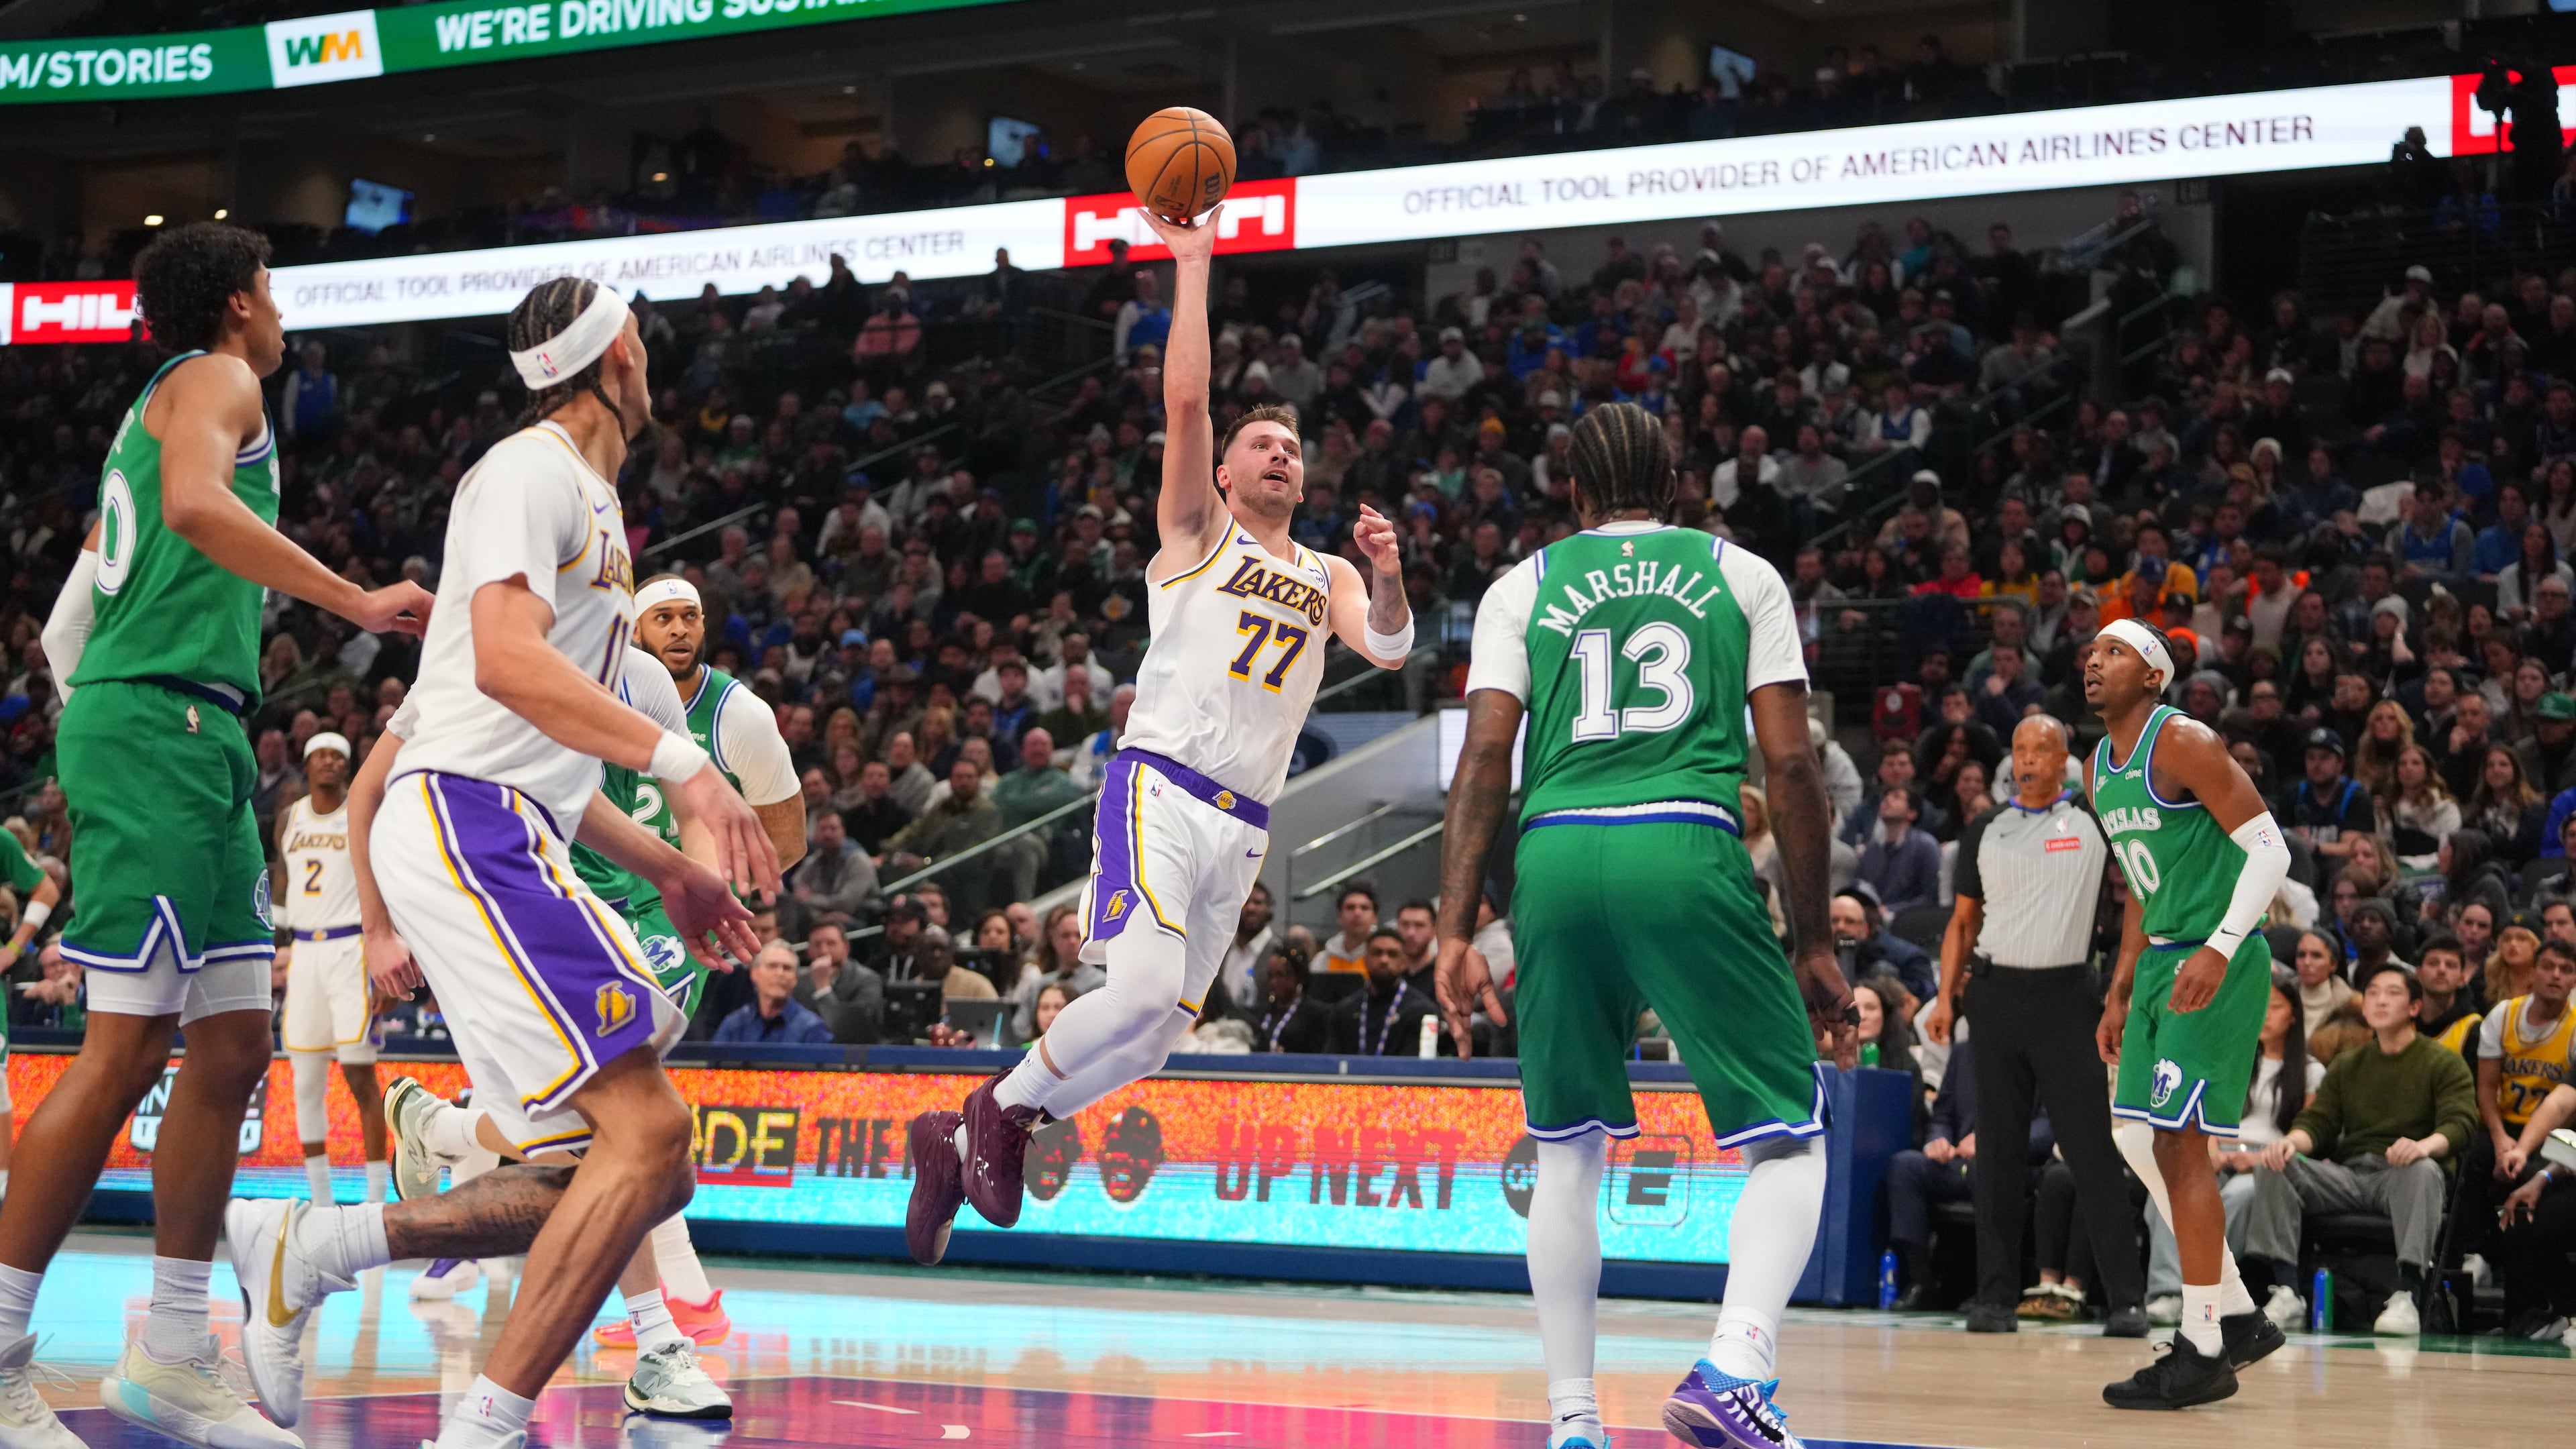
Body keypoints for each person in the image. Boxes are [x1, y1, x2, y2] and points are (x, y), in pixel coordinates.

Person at [221, 277, 777, 1449]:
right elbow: (510, 669)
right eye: (638, 331)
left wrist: (671, 870)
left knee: (631, 1170)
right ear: (617, 351)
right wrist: (683, 766)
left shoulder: (587, 507)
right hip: (468, 829)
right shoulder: (531, 474)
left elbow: (538, 756)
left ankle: (317, 1245)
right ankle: (485, 1424)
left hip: (507, 825)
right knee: (651, 1135)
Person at [904, 203, 1413, 1266]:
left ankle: (956, 1137)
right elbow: (1185, 399)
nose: (1280, 454)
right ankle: (998, 1111)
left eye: (1292, 448)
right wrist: (1193, 261)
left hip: (1247, 823)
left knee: (1154, 1042)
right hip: (1164, 789)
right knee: (1132, 996)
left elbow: (1395, 651)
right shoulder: (1199, 534)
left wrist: (1388, 572)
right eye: (1260, 444)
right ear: (1225, 475)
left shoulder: (1325, 575)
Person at [0, 223, 434, 1449]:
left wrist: (124, 709)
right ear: (241, 300)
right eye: (275, 289)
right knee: (127, 1048)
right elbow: (193, 505)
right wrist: (350, 599)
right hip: (162, 731)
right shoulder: (223, 379)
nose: (282, 311)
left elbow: (65, 625)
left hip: (193, 734)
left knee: (238, 1040)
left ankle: (175, 1352)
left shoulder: (161, 408)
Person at [1434, 401, 1852, 1449]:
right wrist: (1813, 940)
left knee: (1565, 1149)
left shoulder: (1519, 586)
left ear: (1572, 492)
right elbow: (1793, 768)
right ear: (1676, 488)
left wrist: (1453, 928)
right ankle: (1736, 1362)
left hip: (1557, 854)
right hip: (1682, 841)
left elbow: (1485, 763)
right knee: (1791, 1143)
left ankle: (1575, 1420)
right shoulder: (1741, 574)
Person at [2086, 619, 2293, 1408]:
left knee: (2179, 1144)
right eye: (2092, 652)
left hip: (2219, 952)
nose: (2095, 663)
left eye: (2115, 653)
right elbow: (2144, 880)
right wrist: (2121, 979)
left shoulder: (2184, 741)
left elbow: (2270, 848)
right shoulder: (2097, 763)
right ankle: (2235, 1311)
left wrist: (2221, 946)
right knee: (2133, 1134)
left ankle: (2203, 1343)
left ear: (2153, 677)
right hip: (2161, 957)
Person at [1925, 716, 2143, 1335]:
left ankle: (2125, 1298)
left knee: (2091, 1151)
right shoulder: (1985, 827)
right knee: (1994, 1151)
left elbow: (2140, 896)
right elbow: (1962, 923)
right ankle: (1994, 1297)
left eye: (2040, 749)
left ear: (2064, 760)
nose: (2027, 759)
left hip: (2068, 996)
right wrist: (1945, 999)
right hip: (1994, 997)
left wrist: (2121, 985)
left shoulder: (2094, 820)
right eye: (2019, 748)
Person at [2241, 961, 2479, 1336]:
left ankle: (2408, 1295)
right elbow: (2317, 1123)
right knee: (2275, 1162)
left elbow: (2462, 1123)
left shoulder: (2442, 1061)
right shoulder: (2348, 1064)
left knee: (2423, 1170)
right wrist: (2289, 1142)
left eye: (2393, 993)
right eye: (2372, 993)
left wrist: (2423, 1146)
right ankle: (2287, 1290)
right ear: (2363, 1005)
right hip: (2350, 1175)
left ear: (2415, 1007)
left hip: (2401, 1175)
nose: (2380, 1001)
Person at [2143, 975, 2320, 1330]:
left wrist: (2257, 1160)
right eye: (2261, 1007)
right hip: (2219, 1149)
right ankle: (2167, 1292)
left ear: (2294, 1016)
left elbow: (2310, 1131)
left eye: (2275, 1008)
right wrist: (2210, 1151)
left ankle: (2208, 1291)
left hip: (2272, 1164)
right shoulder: (2231, 1059)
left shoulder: (2312, 1072)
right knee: (2168, 1189)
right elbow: (2203, 1112)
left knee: (2238, 1196)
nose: (2265, 1016)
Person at [276, 732, 389, 1209]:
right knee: (304, 1079)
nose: (328, 762)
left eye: (337, 757)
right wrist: (277, 944)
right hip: (303, 953)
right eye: (320, 755)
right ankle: (321, 1202)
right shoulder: (289, 817)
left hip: (351, 949)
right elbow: (282, 884)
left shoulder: (363, 813)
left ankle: (376, 1199)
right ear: (306, 764)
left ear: (347, 767)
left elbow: (385, 880)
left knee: (360, 1075)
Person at [1332, 926, 1437, 1055]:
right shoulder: (1345, 1011)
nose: (1384, 960)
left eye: (1392, 954)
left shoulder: (1421, 1011)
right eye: (1377, 953)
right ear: (1365, 960)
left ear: (1404, 962)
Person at [715, 943, 835, 1044]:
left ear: (795, 979)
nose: (780, 973)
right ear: (754, 973)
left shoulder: (813, 1029)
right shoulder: (734, 1025)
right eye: (772, 966)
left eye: (787, 968)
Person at [1854, 786, 1940, 911]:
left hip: (1908, 921)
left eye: (1896, 797)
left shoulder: (1926, 845)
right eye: (1886, 797)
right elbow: (1860, 887)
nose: (1887, 800)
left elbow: (1930, 897)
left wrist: (1890, 910)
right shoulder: (1872, 849)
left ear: (1912, 813)